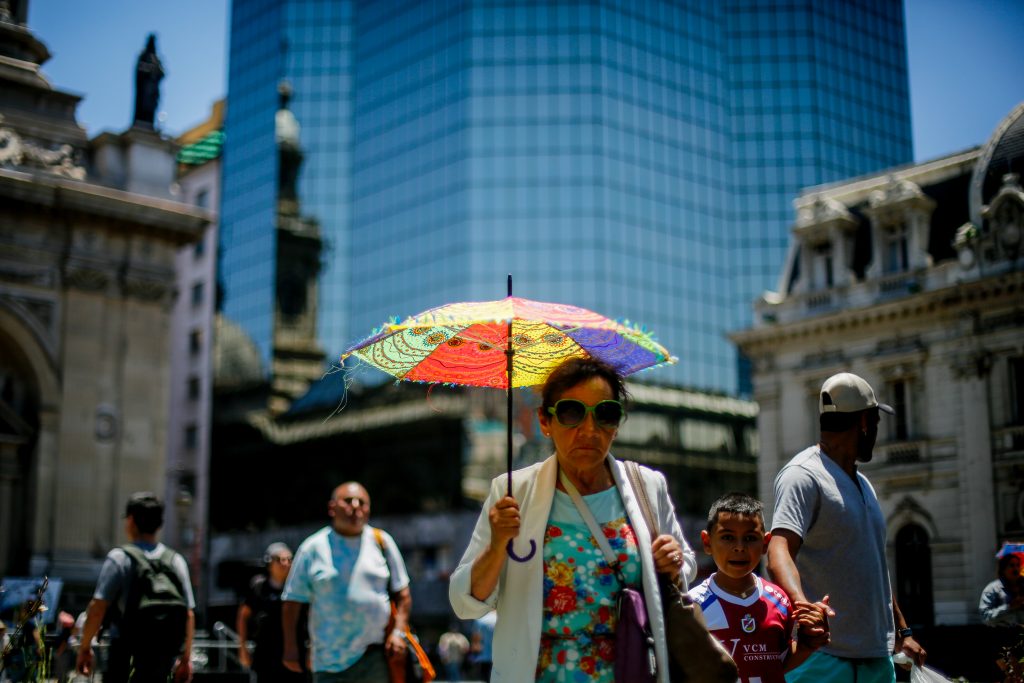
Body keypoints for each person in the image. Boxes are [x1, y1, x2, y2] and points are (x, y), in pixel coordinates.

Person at [449, 357, 696, 683]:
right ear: (544, 420)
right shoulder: (512, 492)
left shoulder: (647, 486)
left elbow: (686, 567)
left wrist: (674, 562)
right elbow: (466, 604)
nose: (589, 429)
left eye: (605, 414)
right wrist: (497, 546)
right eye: (571, 413)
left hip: (631, 671)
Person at [767, 372, 926, 683]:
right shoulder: (802, 475)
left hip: (878, 658)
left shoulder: (864, 483)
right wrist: (804, 609)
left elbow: (875, 566)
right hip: (822, 660)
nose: (877, 432)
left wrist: (902, 631)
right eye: (876, 424)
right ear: (865, 422)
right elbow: (779, 550)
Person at [689, 492, 829, 682]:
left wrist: (806, 645)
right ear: (707, 542)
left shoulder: (778, 599)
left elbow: (779, 664)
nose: (739, 547)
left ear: (765, 543)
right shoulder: (693, 605)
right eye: (728, 537)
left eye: (750, 538)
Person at [282, 482, 411, 682]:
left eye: (362, 502)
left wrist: (398, 633)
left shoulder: (382, 542)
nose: (356, 506)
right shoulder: (313, 548)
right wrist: (291, 647)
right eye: (348, 501)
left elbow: (403, 595)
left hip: (375, 656)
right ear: (332, 508)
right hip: (329, 663)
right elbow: (292, 603)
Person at [76, 492, 195, 683]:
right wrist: (185, 658)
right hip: (163, 657)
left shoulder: (120, 558)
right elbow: (189, 614)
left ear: (130, 521)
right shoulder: (176, 561)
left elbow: (97, 608)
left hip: (125, 654)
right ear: (159, 524)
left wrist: (84, 647)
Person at [237, 542, 307, 682]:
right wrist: (242, 647)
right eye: (279, 560)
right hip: (265, 654)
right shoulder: (259, 586)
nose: (285, 563)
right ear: (269, 564)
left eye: (289, 559)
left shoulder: (299, 587)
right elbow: (243, 616)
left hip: (294, 652)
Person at [980, 553, 1024, 626]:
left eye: (1018, 565)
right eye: (1012, 565)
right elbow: (985, 617)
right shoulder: (992, 589)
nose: (1016, 569)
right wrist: (1009, 607)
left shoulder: (1022, 586)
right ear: (1003, 569)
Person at [467, 611, 495, 681]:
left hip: (484, 656)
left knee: (486, 678)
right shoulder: (501, 617)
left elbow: (476, 638)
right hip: (501, 656)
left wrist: (473, 654)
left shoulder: (480, 619)